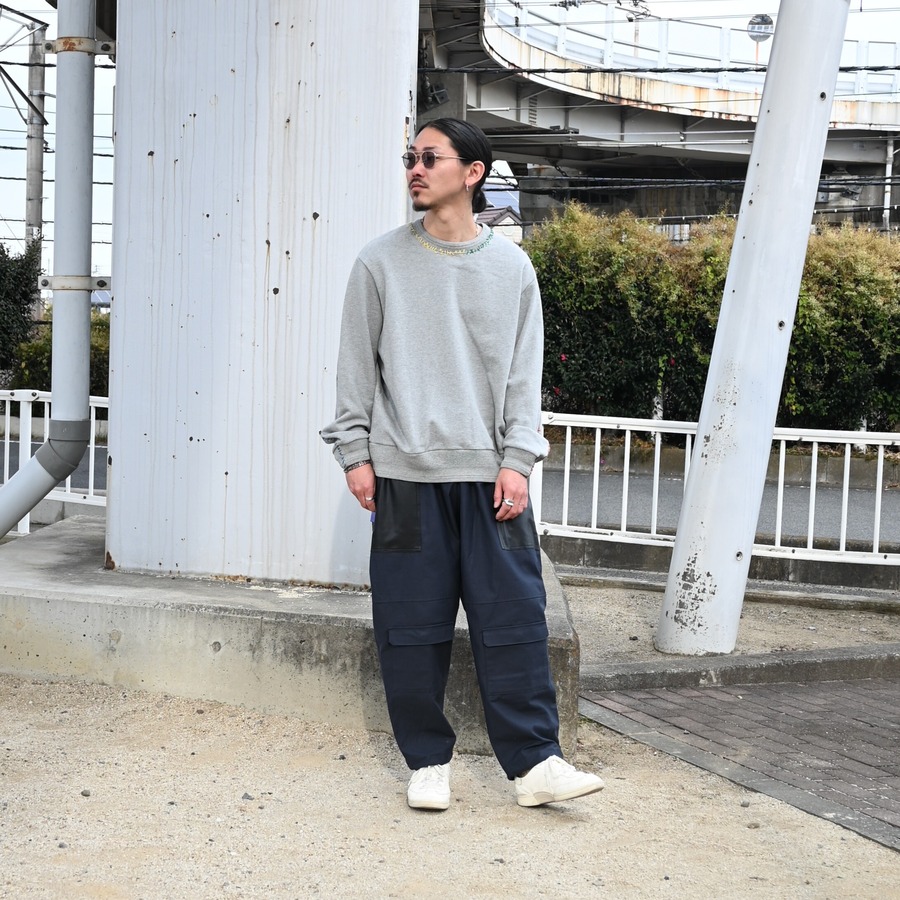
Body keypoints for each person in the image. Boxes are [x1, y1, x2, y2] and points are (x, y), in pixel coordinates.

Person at [320, 117, 603, 810]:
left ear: (472, 173)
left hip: (491, 476)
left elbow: (523, 379)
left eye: (429, 157)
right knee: (410, 626)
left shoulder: (512, 268)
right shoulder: (379, 262)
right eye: (409, 157)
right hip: (405, 476)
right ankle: (427, 762)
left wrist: (518, 461)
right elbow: (356, 369)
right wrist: (354, 453)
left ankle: (535, 765)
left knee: (515, 620)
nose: (414, 169)